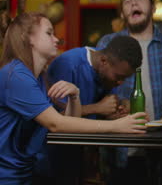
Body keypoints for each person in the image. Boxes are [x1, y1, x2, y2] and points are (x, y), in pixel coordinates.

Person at [0, 12, 147, 185]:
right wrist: (117, 126)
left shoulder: (38, 77)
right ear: (28, 38)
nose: (56, 39)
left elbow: (67, 124)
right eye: (49, 33)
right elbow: (56, 124)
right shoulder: (16, 75)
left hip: (23, 174)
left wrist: (75, 96)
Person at [96, 0, 162, 185]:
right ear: (122, 13)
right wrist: (112, 107)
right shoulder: (107, 44)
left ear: (153, 8)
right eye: (127, 1)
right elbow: (97, 88)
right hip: (120, 144)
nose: (134, 4)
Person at [33, 35, 143, 184]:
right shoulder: (68, 64)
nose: (120, 82)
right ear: (103, 61)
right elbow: (54, 119)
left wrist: (119, 110)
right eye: (118, 77)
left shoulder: (110, 62)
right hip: (48, 158)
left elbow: (106, 108)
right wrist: (97, 108)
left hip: (78, 157)